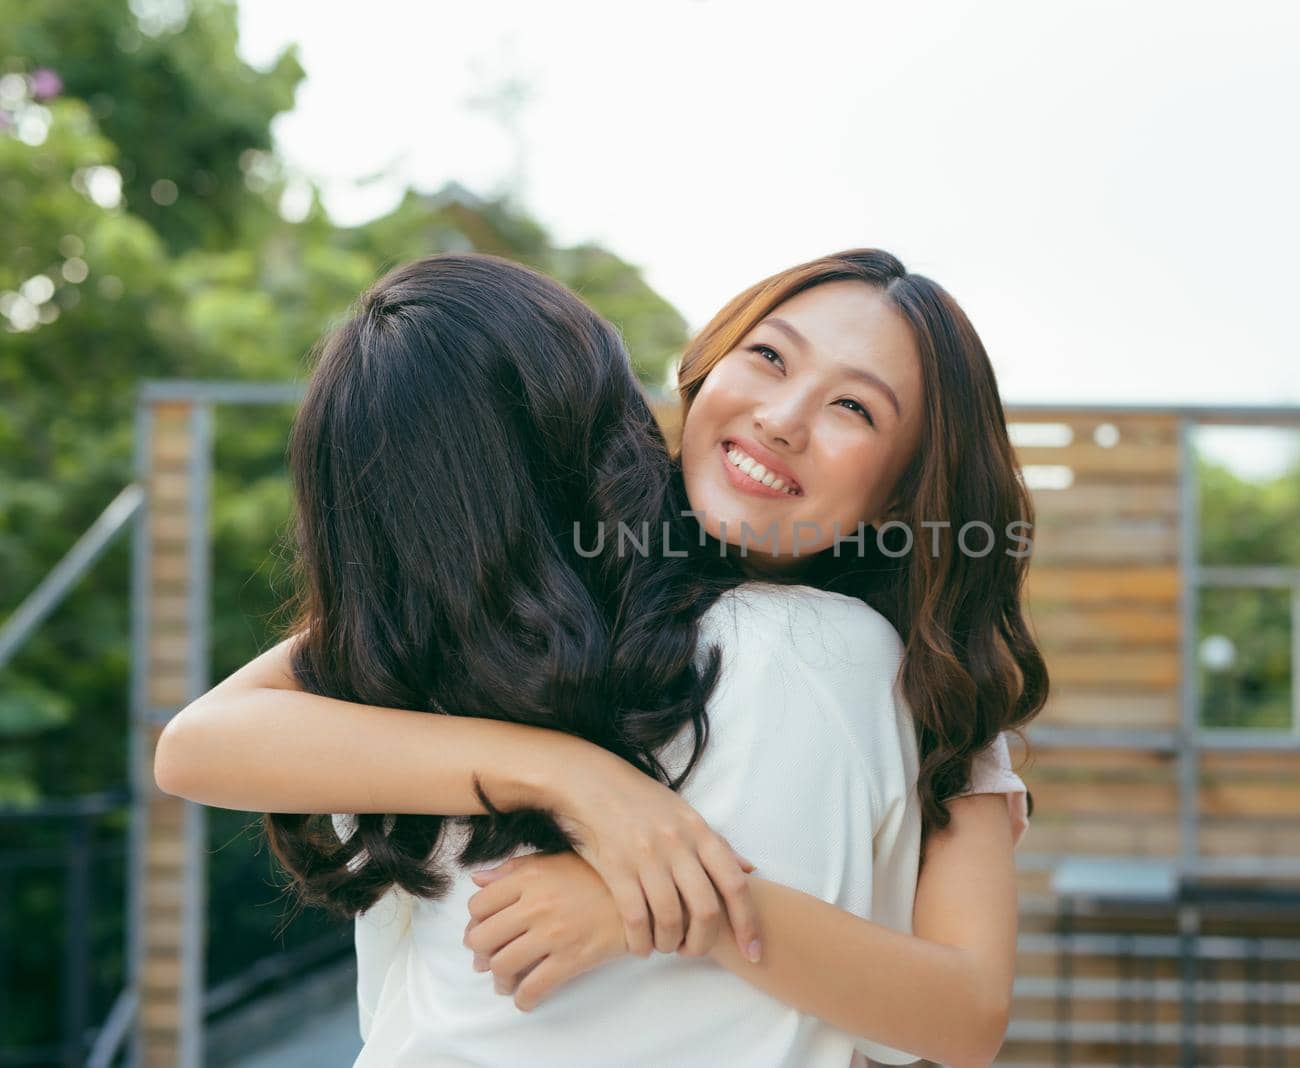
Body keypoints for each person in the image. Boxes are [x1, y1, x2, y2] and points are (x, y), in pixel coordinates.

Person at [155, 248, 1045, 1067]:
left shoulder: (916, 680)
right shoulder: (552, 564)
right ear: (706, 369)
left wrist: (652, 898)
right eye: (769, 357)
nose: (782, 419)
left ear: (903, 493)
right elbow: (199, 744)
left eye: (855, 406)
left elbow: (966, 1015)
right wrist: (575, 780)